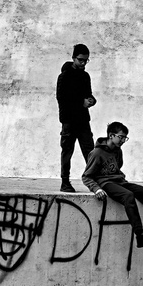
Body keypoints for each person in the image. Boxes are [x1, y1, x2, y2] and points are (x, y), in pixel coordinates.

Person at [56, 43, 96, 193]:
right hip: (69, 121)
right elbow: (62, 99)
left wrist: (92, 100)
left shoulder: (85, 76)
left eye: (86, 60)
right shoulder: (64, 76)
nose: (83, 63)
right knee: (67, 152)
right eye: (80, 59)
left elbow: (88, 93)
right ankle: (65, 182)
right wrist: (82, 103)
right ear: (73, 58)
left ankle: (94, 181)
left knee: (90, 152)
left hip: (83, 121)